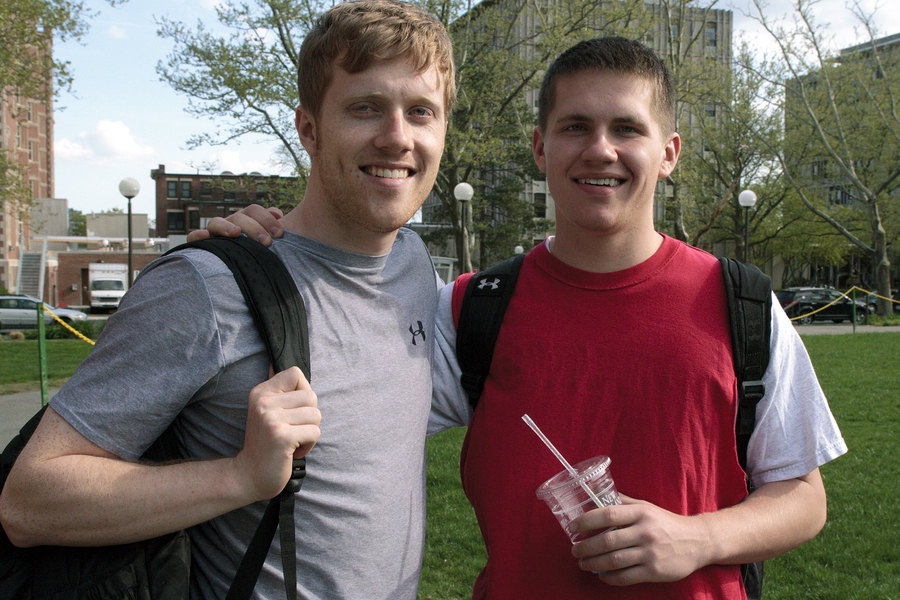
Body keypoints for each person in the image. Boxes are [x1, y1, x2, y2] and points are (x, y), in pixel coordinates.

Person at [214, 36, 847, 599]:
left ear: (668, 152)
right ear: (541, 148)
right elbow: (354, 393)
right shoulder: (473, 308)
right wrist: (267, 249)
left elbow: (804, 499)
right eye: (575, 127)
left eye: (627, 128)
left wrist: (698, 538)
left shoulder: (739, 303)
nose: (600, 150)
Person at [0, 1, 455, 598]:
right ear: (309, 129)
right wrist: (240, 476)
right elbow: (30, 502)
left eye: (420, 111)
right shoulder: (207, 286)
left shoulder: (413, 265)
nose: (397, 137)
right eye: (365, 107)